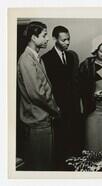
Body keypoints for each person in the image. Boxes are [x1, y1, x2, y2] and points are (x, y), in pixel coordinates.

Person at [17, 21, 60, 170]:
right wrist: (56, 109)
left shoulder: (35, 57)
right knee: (40, 166)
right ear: (34, 38)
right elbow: (37, 93)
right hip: (37, 121)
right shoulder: (26, 59)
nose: (48, 38)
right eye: (44, 35)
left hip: (43, 119)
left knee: (45, 163)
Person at [42, 26, 81, 170]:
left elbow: (75, 82)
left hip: (73, 107)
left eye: (68, 39)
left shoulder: (72, 56)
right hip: (57, 108)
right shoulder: (45, 59)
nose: (67, 42)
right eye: (63, 40)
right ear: (54, 39)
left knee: (73, 140)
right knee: (60, 144)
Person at [79, 35, 102, 152]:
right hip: (94, 113)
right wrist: (93, 95)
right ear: (95, 51)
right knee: (94, 149)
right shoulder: (87, 66)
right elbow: (79, 89)